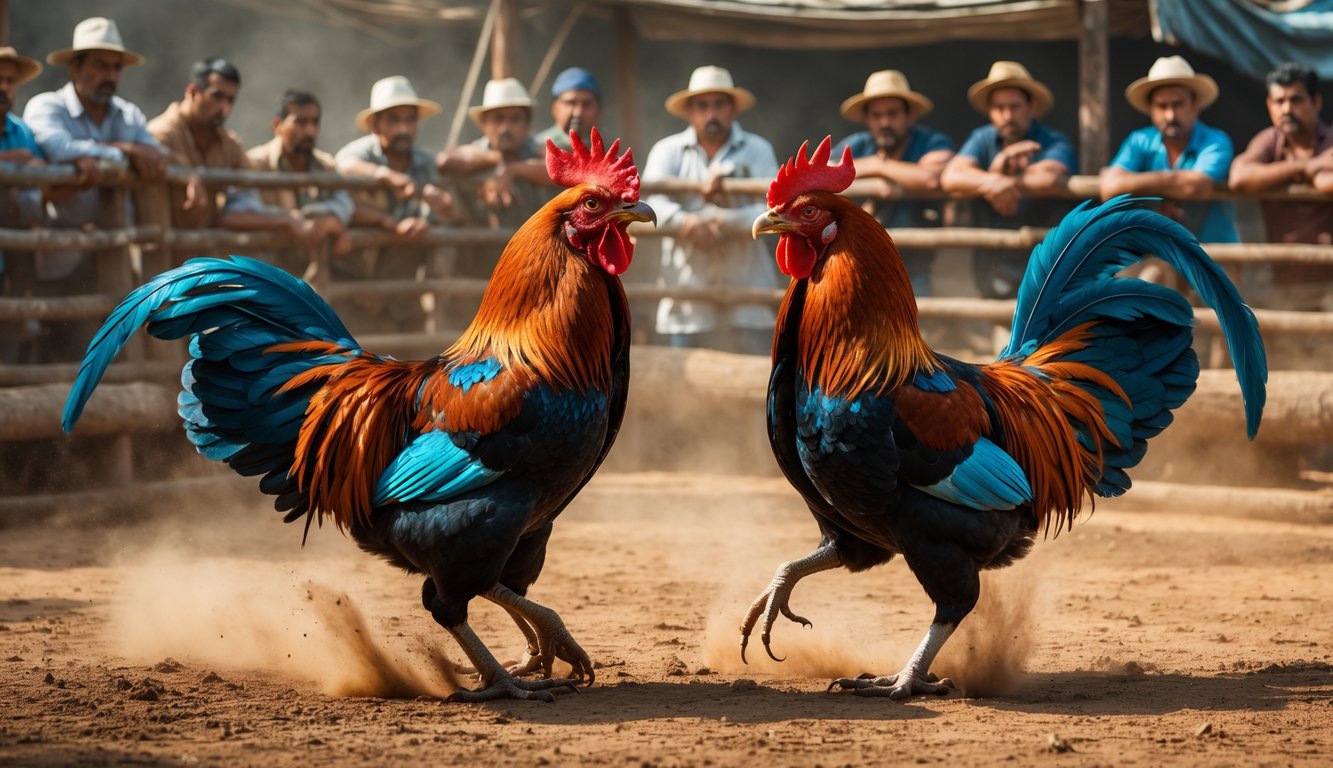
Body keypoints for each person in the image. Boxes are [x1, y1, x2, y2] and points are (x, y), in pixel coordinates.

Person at [642, 65, 779, 355]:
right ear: (690, 111)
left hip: (748, 292)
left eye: (719, 104)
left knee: (751, 388)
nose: (711, 113)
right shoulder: (666, 150)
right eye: (703, 106)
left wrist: (721, 219)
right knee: (682, 392)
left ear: (732, 109)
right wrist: (685, 222)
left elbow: (775, 207)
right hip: (686, 295)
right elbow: (648, 201)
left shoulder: (758, 150)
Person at [24, 17, 168, 289]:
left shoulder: (128, 114)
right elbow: (58, 149)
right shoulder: (47, 106)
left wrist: (105, 155)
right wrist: (124, 150)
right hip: (62, 254)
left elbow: (156, 155)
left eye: (116, 67)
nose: (111, 76)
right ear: (75, 69)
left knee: (120, 324)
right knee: (73, 325)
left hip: (117, 251)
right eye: (101, 65)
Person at [942, 61, 1076, 301]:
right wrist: (995, 176)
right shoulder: (983, 138)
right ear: (990, 111)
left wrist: (997, 179)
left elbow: (1047, 177)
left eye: (1014, 106)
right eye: (999, 107)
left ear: (1031, 106)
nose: (1007, 115)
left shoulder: (1053, 140)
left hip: (1045, 265)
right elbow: (951, 176)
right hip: (993, 264)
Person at [334, 76, 454, 333]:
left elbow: (448, 211)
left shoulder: (425, 164)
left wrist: (437, 210)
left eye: (409, 120)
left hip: (400, 292)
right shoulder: (359, 154)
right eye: (394, 120)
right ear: (375, 126)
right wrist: (385, 176)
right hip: (352, 285)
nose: (404, 128)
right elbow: (341, 165)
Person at [149, 57, 315, 242]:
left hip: (204, 257)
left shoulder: (229, 144)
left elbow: (245, 201)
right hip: (162, 254)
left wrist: (284, 218)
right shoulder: (161, 133)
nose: (225, 109)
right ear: (193, 91)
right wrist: (186, 173)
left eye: (230, 100)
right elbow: (149, 153)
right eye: (217, 96)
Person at [833, 69, 954, 297]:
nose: (884, 122)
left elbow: (930, 177)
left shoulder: (931, 142)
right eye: (876, 115)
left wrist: (880, 166)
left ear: (909, 115)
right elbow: (823, 171)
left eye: (892, 114)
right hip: (857, 262)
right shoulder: (857, 144)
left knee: (910, 327)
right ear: (867, 119)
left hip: (911, 265)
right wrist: (881, 173)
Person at [1229, 62, 1333, 313]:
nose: (1286, 109)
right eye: (1279, 101)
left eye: (1296, 100)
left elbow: (1326, 183)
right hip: (1282, 279)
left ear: (1316, 103)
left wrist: (1311, 172)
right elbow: (1238, 178)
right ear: (1269, 105)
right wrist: (1303, 168)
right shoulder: (1269, 142)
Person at [1101, 56, 1237, 245]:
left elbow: (1196, 185)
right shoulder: (1139, 140)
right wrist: (1175, 182)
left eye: (1178, 104)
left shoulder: (1216, 141)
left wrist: (1134, 183)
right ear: (1151, 110)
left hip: (1214, 258)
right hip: (1163, 253)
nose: (1170, 115)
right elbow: (1110, 188)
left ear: (1194, 105)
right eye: (1162, 106)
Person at [247, 89, 360, 278]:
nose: (310, 130)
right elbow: (242, 210)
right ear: (278, 125)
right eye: (300, 122)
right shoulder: (255, 163)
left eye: (315, 122)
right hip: (266, 272)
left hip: (311, 274)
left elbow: (345, 202)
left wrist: (328, 220)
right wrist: (290, 219)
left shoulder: (325, 165)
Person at [437, 77, 549, 231]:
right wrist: (497, 161)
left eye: (514, 119)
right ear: (484, 125)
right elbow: (444, 160)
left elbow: (559, 170)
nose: (505, 128)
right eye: (498, 119)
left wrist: (513, 170)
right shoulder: (477, 152)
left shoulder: (538, 152)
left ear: (527, 125)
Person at [0, 46, 48, 364]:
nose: (3, 87)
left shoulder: (21, 131)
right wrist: (13, 162)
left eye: (10, 80)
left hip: (16, 258)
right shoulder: (19, 143)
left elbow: (43, 175)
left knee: (11, 333)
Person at [534, 67, 603, 152]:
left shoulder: (612, 146)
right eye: (570, 103)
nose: (578, 113)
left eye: (586, 104)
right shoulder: (536, 148)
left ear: (598, 110)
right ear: (555, 108)